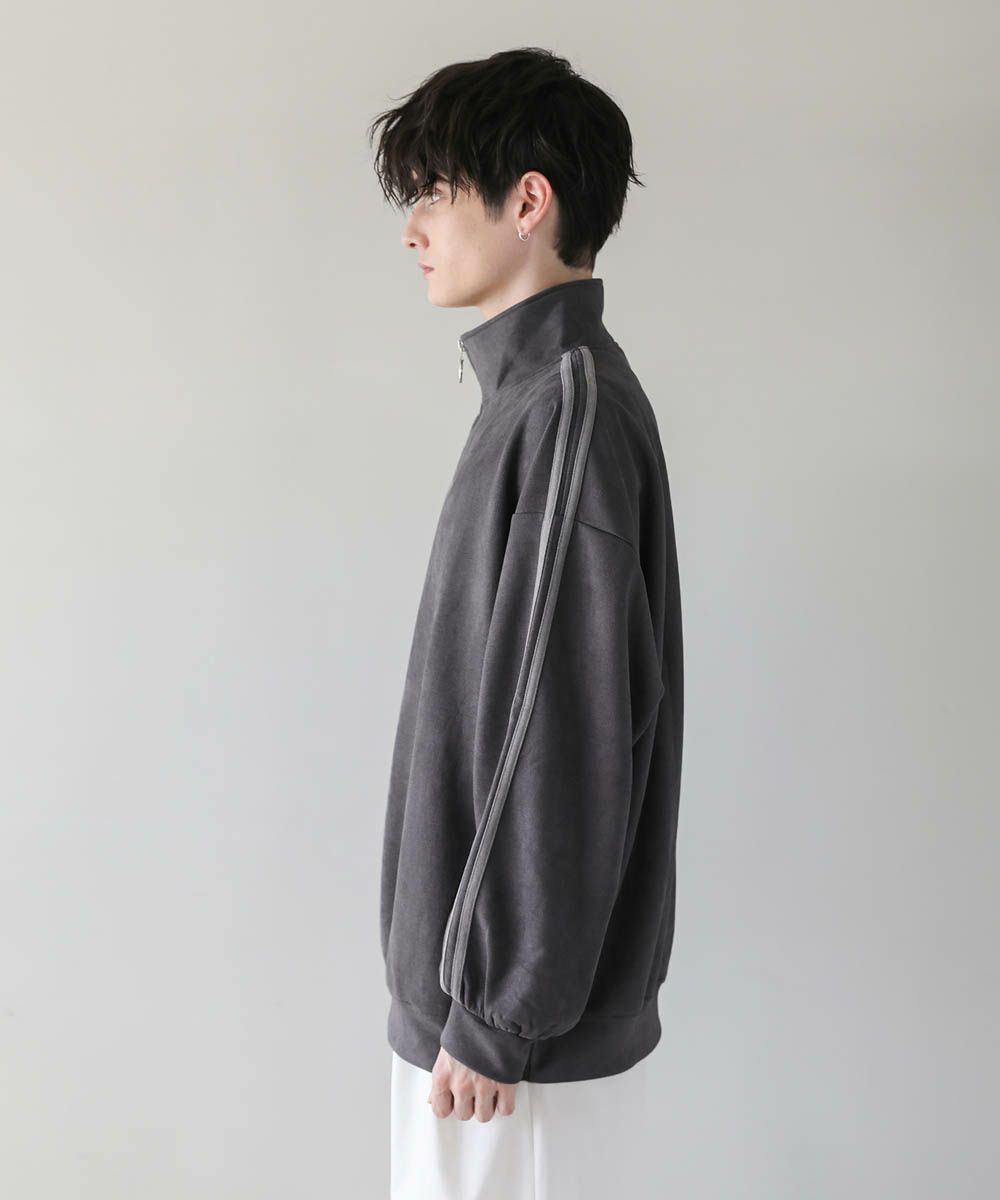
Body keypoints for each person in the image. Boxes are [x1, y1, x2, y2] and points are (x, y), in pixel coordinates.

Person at [368, 47, 685, 1198]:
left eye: (433, 194)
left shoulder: (565, 411)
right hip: (494, 1023)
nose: (412, 230)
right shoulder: (536, 399)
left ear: (528, 200)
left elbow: (562, 728)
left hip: (507, 1051)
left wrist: (498, 1012)